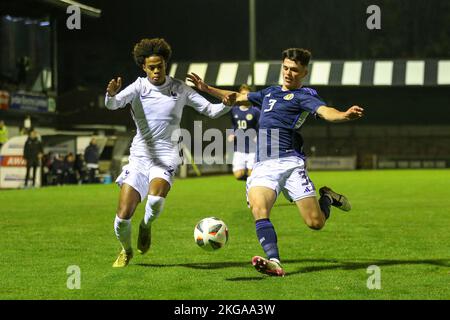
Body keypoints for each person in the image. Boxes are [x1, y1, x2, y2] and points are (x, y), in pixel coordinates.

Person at [187, 48, 364, 276]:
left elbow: (325, 111)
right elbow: (236, 97)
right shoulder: (269, 92)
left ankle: (327, 197)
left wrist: (344, 115)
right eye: (286, 68)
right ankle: (274, 261)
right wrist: (207, 89)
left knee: (315, 223)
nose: (289, 73)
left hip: (290, 162)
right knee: (259, 209)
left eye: (295, 70)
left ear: (304, 72)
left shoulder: (304, 97)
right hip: (263, 165)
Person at [105, 38, 232, 267]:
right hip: (140, 156)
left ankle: (146, 225)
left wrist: (226, 103)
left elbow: (210, 111)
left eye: (160, 66)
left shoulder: (179, 88)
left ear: (166, 65)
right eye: (151, 67)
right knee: (123, 216)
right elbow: (112, 105)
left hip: (167, 154)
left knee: (154, 200)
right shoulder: (138, 88)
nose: (156, 71)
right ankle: (126, 250)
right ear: (143, 67)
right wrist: (111, 95)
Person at [227, 84, 260, 180]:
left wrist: (258, 135)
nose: (244, 96)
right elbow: (233, 125)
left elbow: (261, 126)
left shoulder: (255, 111)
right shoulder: (234, 111)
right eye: (242, 94)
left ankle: (252, 183)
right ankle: (250, 179)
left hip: (253, 148)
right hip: (239, 147)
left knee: (252, 174)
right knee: (238, 175)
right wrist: (232, 134)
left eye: (247, 94)